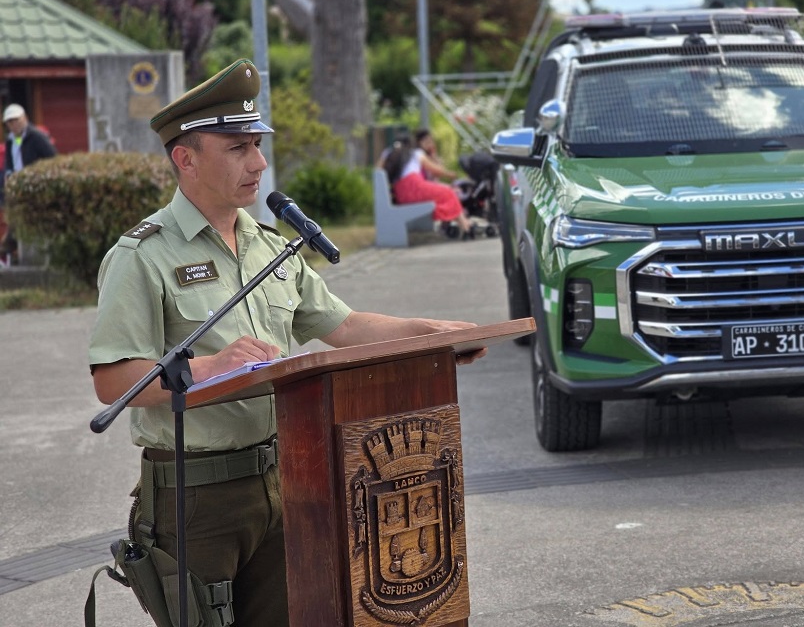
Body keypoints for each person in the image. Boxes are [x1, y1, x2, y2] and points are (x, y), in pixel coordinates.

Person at [87, 59, 486, 627]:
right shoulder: (142, 256)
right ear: (186, 157)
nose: (259, 163)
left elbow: (343, 327)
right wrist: (209, 368)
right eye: (238, 148)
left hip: (285, 478)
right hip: (196, 494)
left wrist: (433, 337)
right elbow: (113, 381)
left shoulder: (268, 247)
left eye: (257, 145)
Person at [383, 131, 474, 239]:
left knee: (446, 192)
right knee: (448, 192)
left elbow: (378, 171)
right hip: (416, 188)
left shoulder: (388, 153)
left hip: (401, 195)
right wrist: (451, 175)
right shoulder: (415, 153)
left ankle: (464, 225)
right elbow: (436, 171)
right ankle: (466, 226)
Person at [2, 103, 56, 264]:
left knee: (23, 217)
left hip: (35, 185)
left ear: (25, 118)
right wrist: (9, 175)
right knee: (16, 216)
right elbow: (10, 162)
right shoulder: (11, 140)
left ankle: (8, 245)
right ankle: (11, 247)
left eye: (16, 120)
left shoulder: (37, 137)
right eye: (10, 122)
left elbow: (53, 158)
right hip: (18, 186)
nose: (14, 125)